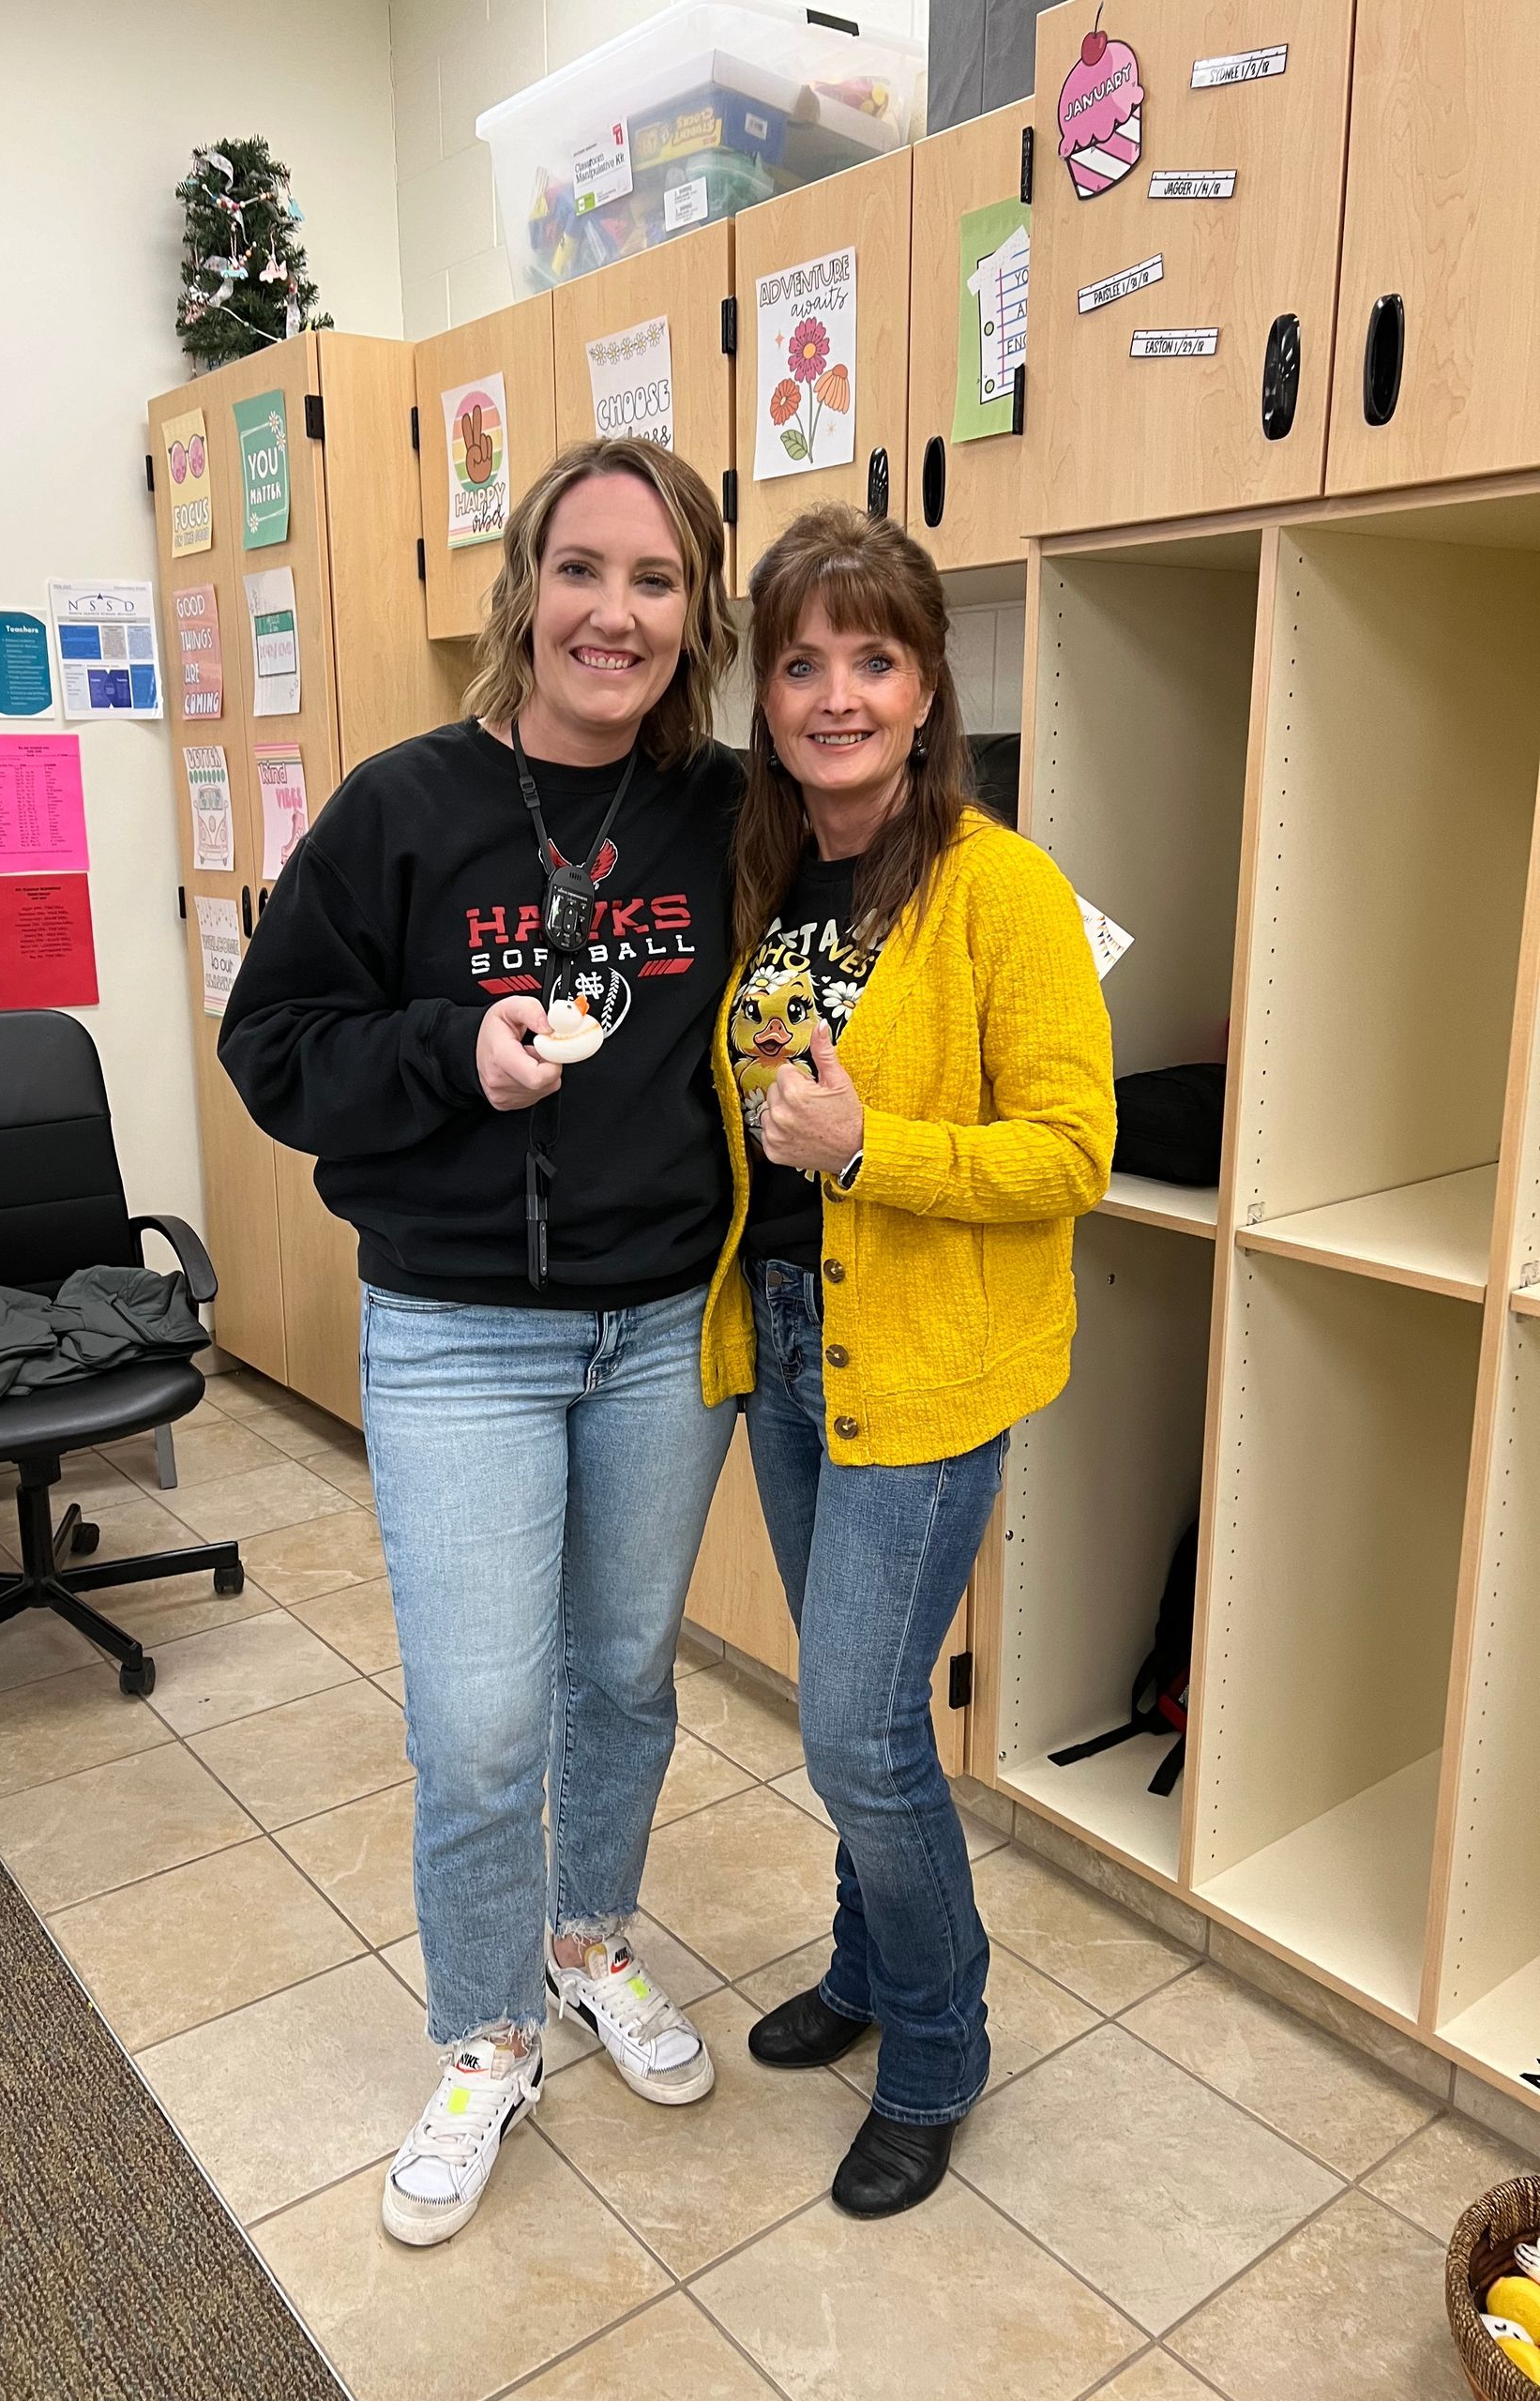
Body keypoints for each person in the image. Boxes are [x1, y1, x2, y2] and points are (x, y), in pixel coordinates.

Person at [219, 438, 743, 2247]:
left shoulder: (718, 811)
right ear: (528, 584)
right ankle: (486, 2032)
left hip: (668, 1322)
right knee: (478, 1723)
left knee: (624, 1677)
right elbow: (271, 1045)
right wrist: (457, 1049)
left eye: (659, 582)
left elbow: (879, 906)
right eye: (587, 570)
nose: (618, 613)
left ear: (698, 614)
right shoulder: (402, 806)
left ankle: (589, 1943)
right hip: (456, 1336)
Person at [702, 505, 1114, 2219]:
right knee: (848, 1711)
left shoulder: (999, 886)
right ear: (766, 693)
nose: (836, 694)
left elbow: (1071, 1154)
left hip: (930, 1364)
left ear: (930, 683)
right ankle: (871, 1968)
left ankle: (940, 2046)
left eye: (874, 657)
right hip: (795, 1347)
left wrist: (872, 1154)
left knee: (862, 1735)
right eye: (801, 661)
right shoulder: (761, 867)